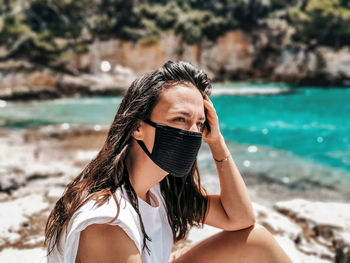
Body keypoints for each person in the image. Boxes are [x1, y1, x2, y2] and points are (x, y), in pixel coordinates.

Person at [45, 60, 292, 263]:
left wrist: (217, 141)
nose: (193, 133)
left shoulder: (156, 190)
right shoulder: (108, 222)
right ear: (137, 127)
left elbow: (239, 219)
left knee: (259, 241)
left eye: (199, 124)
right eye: (179, 120)